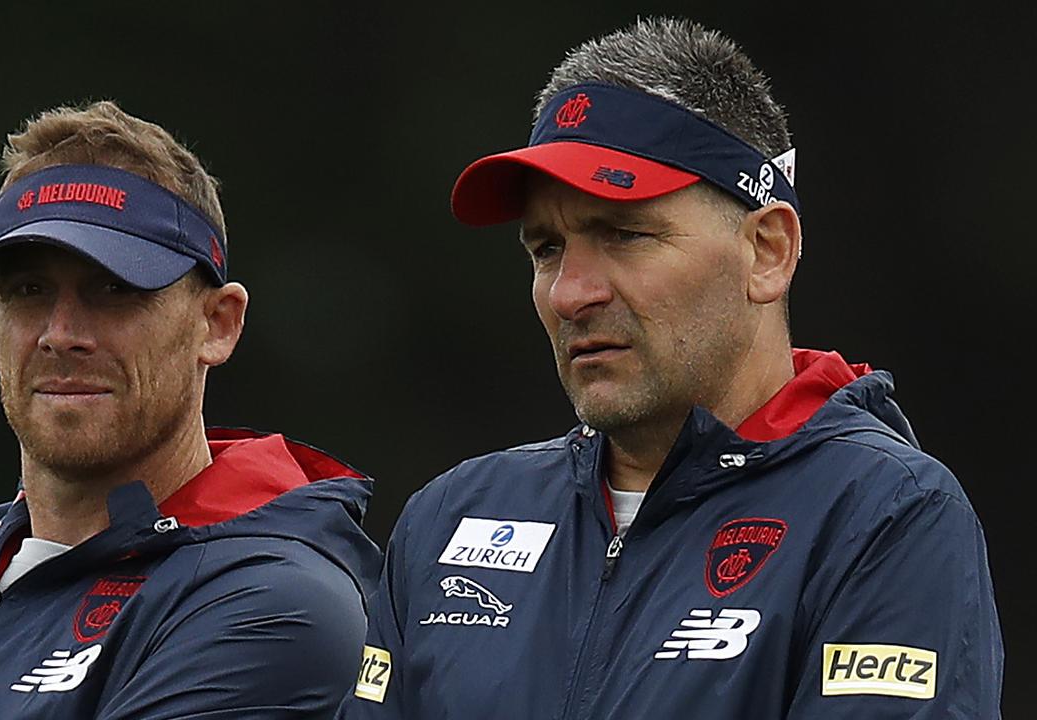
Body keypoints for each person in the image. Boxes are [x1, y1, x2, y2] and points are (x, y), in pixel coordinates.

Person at [336, 17, 1003, 719]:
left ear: (767, 250)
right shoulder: (450, 518)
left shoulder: (881, 513)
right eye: (546, 249)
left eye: (623, 234)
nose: (569, 293)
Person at [0, 100, 381, 720]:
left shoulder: (274, 601)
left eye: (115, 289)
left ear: (217, 324)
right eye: (31, 291)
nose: (61, 333)